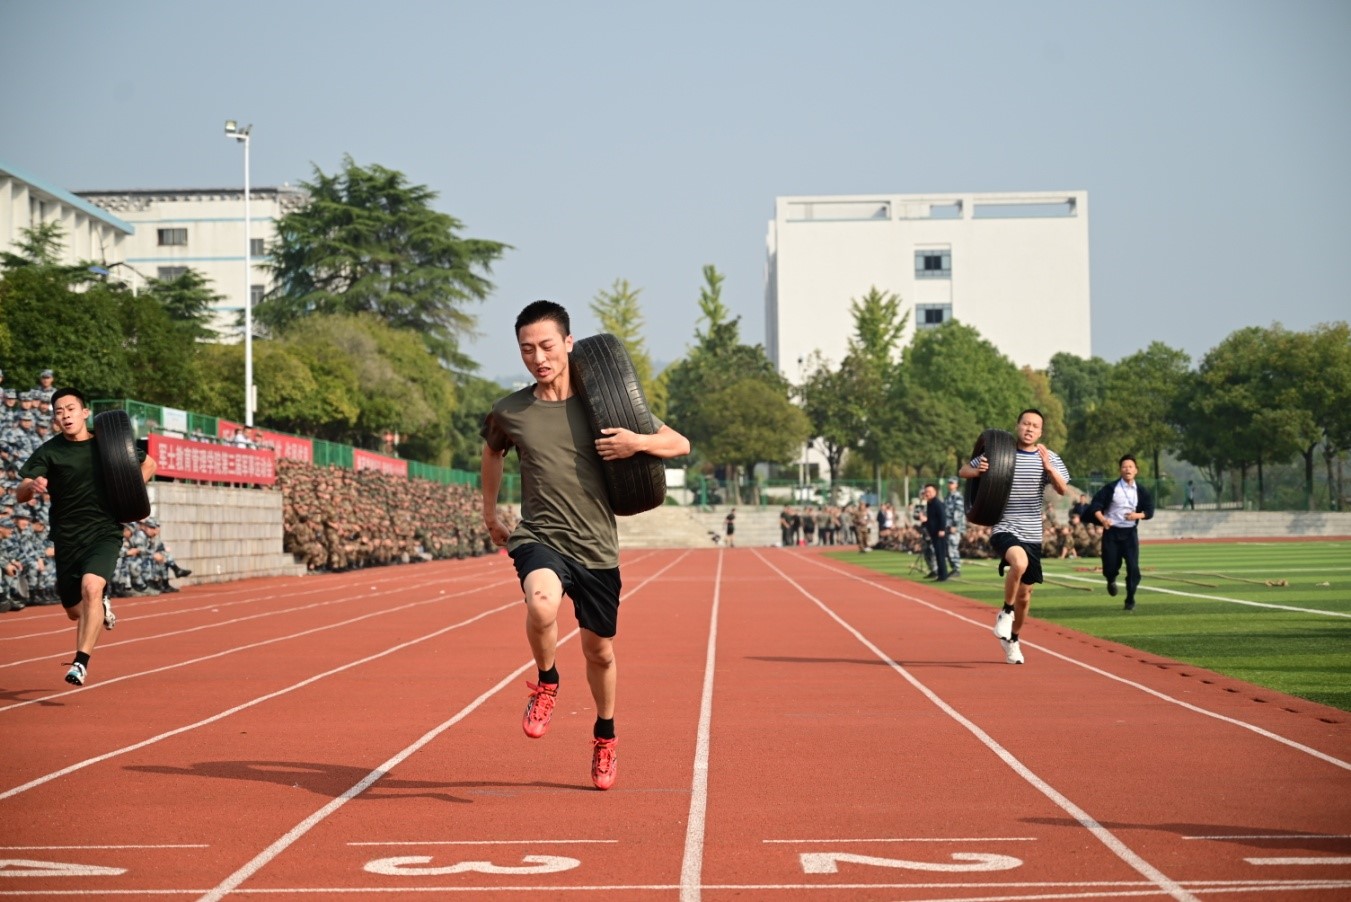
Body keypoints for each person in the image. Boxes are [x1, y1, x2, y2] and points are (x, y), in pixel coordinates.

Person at [480, 300, 690, 791]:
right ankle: (547, 680)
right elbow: (492, 452)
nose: (538, 357)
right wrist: (490, 512)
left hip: (596, 546)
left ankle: (605, 736)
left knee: (600, 653)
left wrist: (636, 444)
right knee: (541, 603)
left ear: (569, 344)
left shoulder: (605, 403)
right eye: (527, 349)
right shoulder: (510, 410)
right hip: (541, 535)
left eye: (547, 346)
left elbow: (680, 444)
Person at [16, 388, 156, 686]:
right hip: (67, 537)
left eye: (70, 408)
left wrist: (129, 491)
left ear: (84, 412)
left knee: (92, 587)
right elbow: (21, 490)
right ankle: (100, 606)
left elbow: (149, 464)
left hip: (104, 530)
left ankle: (80, 663)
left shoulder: (108, 443)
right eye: (58, 411)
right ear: (55, 419)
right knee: (73, 610)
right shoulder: (50, 451)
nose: (64, 415)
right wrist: (32, 486)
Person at [958, 409, 1069, 665]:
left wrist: (1049, 468)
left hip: (1032, 531)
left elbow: (1062, 489)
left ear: (1040, 432)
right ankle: (1005, 613)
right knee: (1019, 563)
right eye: (1026, 423)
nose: (1029, 428)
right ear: (1018, 426)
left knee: (1026, 596)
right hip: (1005, 525)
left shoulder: (1049, 457)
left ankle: (1013, 639)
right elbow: (965, 470)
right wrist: (978, 471)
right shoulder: (1000, 452)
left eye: (1035, 426)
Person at [1090, 454, 1155, 611]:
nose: (1128, 469)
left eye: (1131, 467)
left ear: (1136, 470)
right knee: (1110, 566)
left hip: (1130, 533)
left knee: (1133, 568)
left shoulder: (1141, 491)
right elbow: (1095, 506)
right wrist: (1103, 520)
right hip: (1111, 532)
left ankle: (1130, 598)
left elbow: (1149, 510)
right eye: (1124, 467)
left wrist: (1137, 515)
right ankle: (1111, 579)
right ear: (1120, 470)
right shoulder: (1111, 488)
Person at [921, 483, 950, 581]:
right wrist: (925, 522)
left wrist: (942, 529)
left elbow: (942, 517)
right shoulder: (929, 504)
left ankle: (943, 576)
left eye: (929, 492)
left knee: (940, 554)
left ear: (934, 492)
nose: (927, 494)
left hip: (939, 532)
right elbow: (931, 519)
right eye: (926, 492)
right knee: (937, 554)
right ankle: (941, 575)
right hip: (933, 532)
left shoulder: (937, 503)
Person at [944, 476, 965, 576]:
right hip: (948, 526)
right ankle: (953, 568)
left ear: (956, 485)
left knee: (952, 547)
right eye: (949, 483)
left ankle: (956, 569)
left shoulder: (958, 497)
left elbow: (959, 512)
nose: (950, 484)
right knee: (948, 548)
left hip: (954, 528)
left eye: (952, 483)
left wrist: (955, 525)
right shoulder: (948, 496)